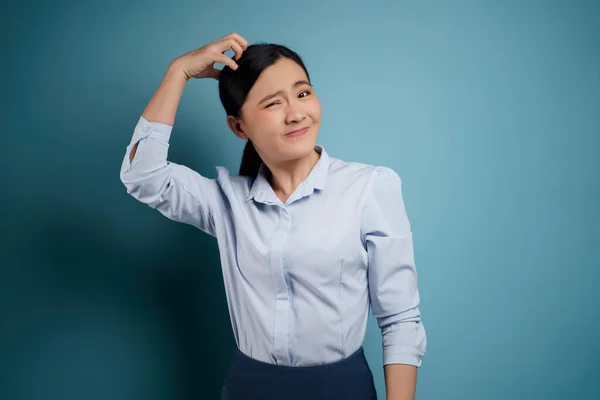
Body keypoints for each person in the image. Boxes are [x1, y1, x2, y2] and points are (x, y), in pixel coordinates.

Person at [119, 32, 427, 400]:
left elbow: (400, 320)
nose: (296, 113)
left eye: (302, 93)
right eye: (272, 104)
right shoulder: (226, 201)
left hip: (342, 389)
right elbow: (143, 175)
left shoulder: (369, 188)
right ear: (239, 127)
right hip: (248, 389)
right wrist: (179, 71)